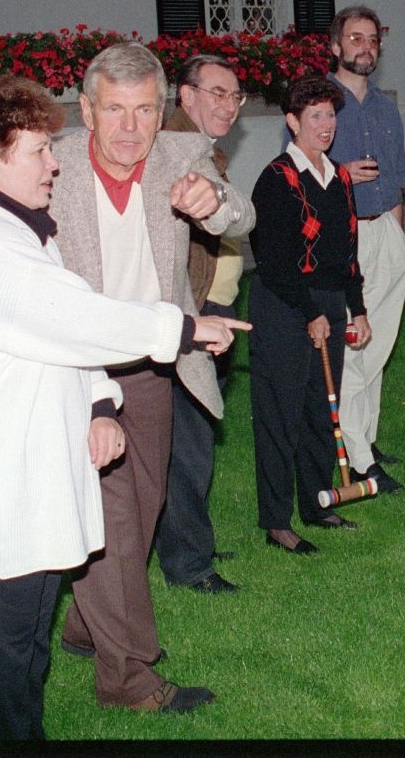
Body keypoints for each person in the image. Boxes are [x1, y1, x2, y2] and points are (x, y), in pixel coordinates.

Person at [0, 75, 248, 738]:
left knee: (28, 657)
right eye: (39, 150)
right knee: (6, 687)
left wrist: (98, 398)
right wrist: (182, 328)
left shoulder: (23, 235)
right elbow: (75, 316)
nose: (55, 160)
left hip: (25, 492)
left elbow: (60, 333)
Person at [47, 42, 252, 712]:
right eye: (114, 110)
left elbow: (241, 213)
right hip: (78, 366)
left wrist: (209, 205)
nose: (131, 128)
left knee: (149, 499)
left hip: (153, 364)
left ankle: (85, 624)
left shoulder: (175, 155)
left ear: (162, 111)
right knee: (116, 520)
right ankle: (130, 675)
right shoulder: (54, 171)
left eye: (144, 110)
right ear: (86, 110)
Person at [249, 74, 372, 553]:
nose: (326, 125)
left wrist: (355, 307)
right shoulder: (277, 178)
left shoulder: (338, 177)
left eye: (331, 115)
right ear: (292, 121)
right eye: (316, 116)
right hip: (283, 304)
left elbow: (346, 248)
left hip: (327, 302)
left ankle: (318, 503)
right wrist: (307, 312)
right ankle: (277, 522)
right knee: (280, 414)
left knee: (322, 407)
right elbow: (274, 257)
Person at [153, 54, 255, 595]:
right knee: (187, 438)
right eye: (216, 93)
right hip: (190, 315)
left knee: (195, 431)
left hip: (213, 309)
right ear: (185, 96)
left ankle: (189, 540)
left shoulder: (201, 151)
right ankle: (189, 564)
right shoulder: (173, 150)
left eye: (234, 96)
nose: (228, 105)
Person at [324, 5, 405, 493]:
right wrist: (342, 175)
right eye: (355, 39)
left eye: (372, 39)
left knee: (379, 341)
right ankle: (357, 458)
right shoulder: (320, 102)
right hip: (344, 235)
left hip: (386, 232)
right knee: (355, 344)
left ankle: (366, 437)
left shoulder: (385, 107)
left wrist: (395, 238)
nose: (365, 47)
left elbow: (395, 177)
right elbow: (298, 170)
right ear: (336, 47)